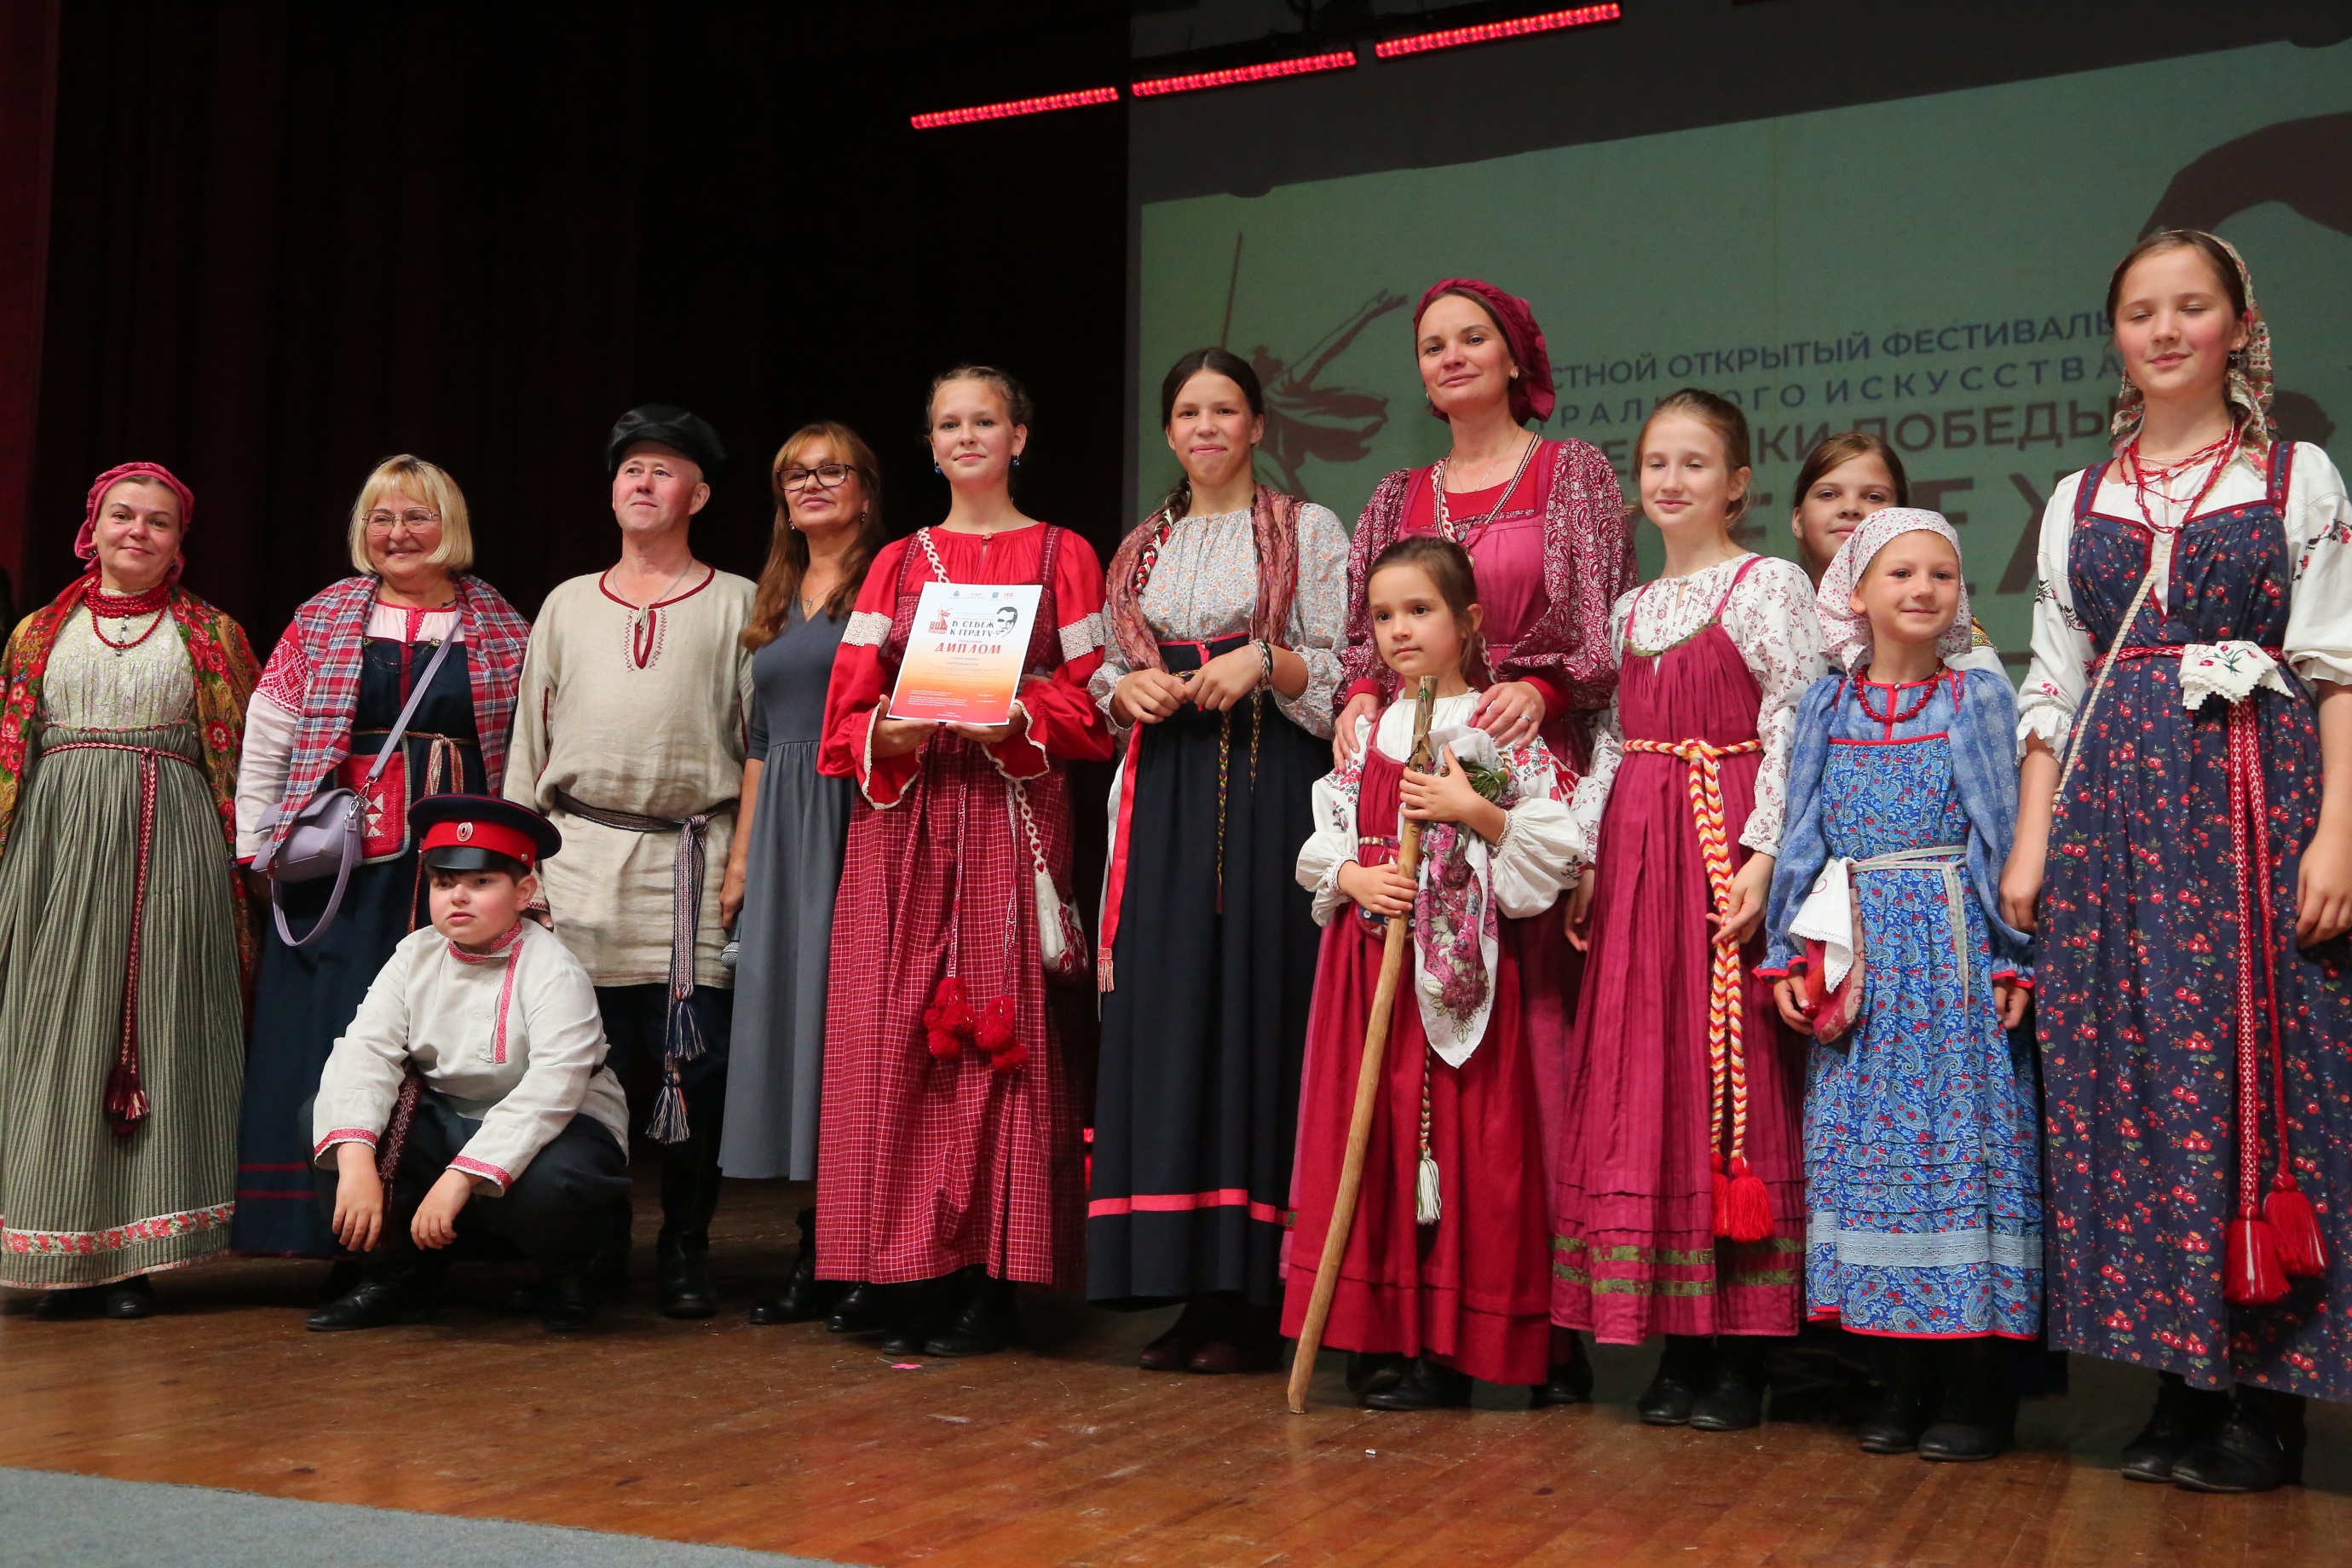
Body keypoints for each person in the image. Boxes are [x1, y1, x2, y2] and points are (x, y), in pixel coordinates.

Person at [2004, 230, 2352, 1493]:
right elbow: (2055, 683)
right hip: (2114, 818)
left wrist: (2340, 830)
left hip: (2257, 805)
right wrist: (2033, 838)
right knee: (2137, 1082)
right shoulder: (2076, 498)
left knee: (2261, 1073)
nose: (2164, 331)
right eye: (2141, 311)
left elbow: (2336, 663)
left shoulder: (2293, 475)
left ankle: (2266, 1399)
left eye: (2190, 307)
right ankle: (2175, 1376)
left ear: (2239, 324)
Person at [1330, 277, 1634, 1403]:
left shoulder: (1574, 474)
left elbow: (1598, 638)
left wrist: (1539, 695)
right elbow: (1363, 639)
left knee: (1525, 1074)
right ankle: (1415, 1313)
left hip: (1518, 783)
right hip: (1412, 766)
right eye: (1431, 344)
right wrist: (1363, 697)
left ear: (1517, 358)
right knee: (1410, 1073)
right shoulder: (1393, 494)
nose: (1451, 356)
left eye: (1473, 339)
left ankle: (1535, 1327)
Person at [814, 365, 1112, 1357]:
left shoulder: (1066, 554)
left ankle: (991, 1275)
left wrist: (1019, 715)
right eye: (950, 423)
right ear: (932, 445)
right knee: (891, 1033)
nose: (968, 436)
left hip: (1008, 808)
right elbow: (845, 713)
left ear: (1019, 437)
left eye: (986, 420)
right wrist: (888, 733)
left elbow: (1098, 702)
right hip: (907, 816)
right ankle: (904, 1265)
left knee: (995, 1029)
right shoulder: (896, 562)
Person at [1553, 389, 1826, 1429]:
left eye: (1695, 463)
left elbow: (1796, 718)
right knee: (1654, 1067)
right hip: (1640, 852)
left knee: (1730, 1070)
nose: (1671, 480)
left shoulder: (1769, 584)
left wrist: (1763, 853)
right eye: (1657, 462)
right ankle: (1680, 1338)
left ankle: (1745, 1348)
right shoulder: (1630, 607)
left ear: (1738, 483)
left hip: (1721, 841)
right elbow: (1614, 741)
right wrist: (1588, 853)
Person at [1087, 348, 1349, 1373]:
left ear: (1256, 425)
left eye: (1225, 409)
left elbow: (1345, 665)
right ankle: (1193, 1286)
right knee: (1177, 1013)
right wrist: (1126, 692)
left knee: (1257, 1010)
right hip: (1168, 795)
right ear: (1168, 432)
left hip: (1270, 782)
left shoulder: (1305, 529)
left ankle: (1260, 1293)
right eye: (1189, 412)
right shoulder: (1139, 548)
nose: (1206, 427)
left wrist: (1266, 661)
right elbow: (1111, 669)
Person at [1761, 510, 2040, 1461]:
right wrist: (1787, 950)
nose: (1923, 589)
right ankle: (1896, 1377)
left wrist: (2012, 954)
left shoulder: (1977, 697)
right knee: (1868, 1163)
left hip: (1951, 950)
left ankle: (1975, 1389)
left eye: (1942, 575)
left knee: (1960, 1154)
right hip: (1861, 957)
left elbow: (2000, 830)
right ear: (1856, 591)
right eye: (1901, 573)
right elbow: (1803, 831)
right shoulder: (1826, 705)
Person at [1286, 536, 1577, 1409]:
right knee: (1370, 1140)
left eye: (1420, 610)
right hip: (1367, 965)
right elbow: (1327, 836)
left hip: (1457, 979)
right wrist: (1352, 877)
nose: (1400, 630)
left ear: (1469, 620)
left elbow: (1549, 850)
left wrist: (1472, 808)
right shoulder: (1367, 731)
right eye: (1384, 616)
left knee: (1460, 1146)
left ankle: (1451, 1343)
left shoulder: (1492, 728)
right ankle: (1378, 1334)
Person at [231, 455, 533, 1261]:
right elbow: (271, 734)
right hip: (342, 869)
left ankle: (441, 1235)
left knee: (443, 1030)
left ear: (450, 526)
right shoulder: (324, 616)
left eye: (417, 516)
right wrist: (258, 847)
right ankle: (329, 1230)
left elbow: (529, 743)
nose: (398, 533)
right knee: (331, 1027)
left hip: (452, 866)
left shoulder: (501, 625)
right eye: (382, 518)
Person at [504, 404, 755, 1319]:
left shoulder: (738, 602)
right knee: (576, 1068)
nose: (643, 483)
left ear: (700, 494)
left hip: (691, 866)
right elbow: (527, 745)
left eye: (663, 470)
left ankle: (685, 1248)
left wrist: (746, 861)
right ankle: (591, 1250)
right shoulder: (569, 603)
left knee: (700, 1071)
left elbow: (759, 746)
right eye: (630, 470)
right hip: (576, 865)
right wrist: (519, 866)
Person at [0, 462, 257, 1316]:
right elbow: (12, 748)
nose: (137, 532)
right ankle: (52, 1242)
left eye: (157, 521)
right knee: (53, 1032)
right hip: (56, 846)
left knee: (156, 1030)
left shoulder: (213, 635)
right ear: (93, 527)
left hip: (168, 846)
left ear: (179, 541)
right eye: (123, 516)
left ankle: (132, 1258)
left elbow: (241, 759)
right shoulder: (39, 632)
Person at [306, 795, 631, 1334]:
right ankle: (398, 1276)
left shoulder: (554, 969)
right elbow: (365, 1051)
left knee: (558, 1180)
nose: (458, 896)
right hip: (447, 1116)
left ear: (523, 892)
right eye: (443, 883)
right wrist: (357, 1160)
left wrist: (460, 1177)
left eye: (482, 882)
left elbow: (552, 1089)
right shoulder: (413, 955)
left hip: (558, 1123)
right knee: (327, 1119)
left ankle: (575, 1272)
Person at [720, 422, 885, 1326]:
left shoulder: (891, 579)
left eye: (831, 471)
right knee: (801, 1034)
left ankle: (857, 1245)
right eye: (795, 474)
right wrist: (743, 856)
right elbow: (759, 737)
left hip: (858, 813)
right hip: (783, 826)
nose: (812, 485)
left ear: (866, 488)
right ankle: (820, 1241)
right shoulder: (776, 593)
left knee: (851, 1033)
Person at [1789, 431, 2003, 676]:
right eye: (1828, 494)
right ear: (1798, 519)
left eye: (1874, 497)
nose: (1850, 508)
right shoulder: (1773, 614)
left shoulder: (1936, 623)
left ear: (1903, 520)